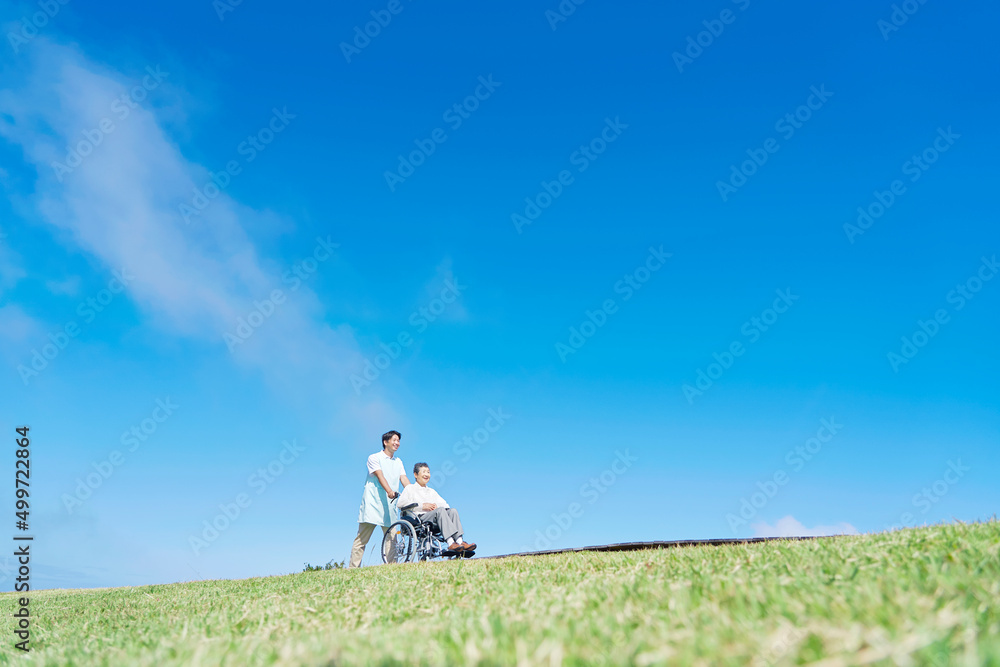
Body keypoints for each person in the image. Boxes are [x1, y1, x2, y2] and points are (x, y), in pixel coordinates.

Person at [349, 430, 411, 568]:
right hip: (373, 504)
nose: (397, 443)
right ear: (385, 442)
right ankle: (353, 568)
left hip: (390, 506)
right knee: (362, 539)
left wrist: (412, 492)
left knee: (392, 538)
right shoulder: (374, 457)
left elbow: (403, 478)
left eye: (398, 441)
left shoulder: (398, 461)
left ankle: (392, 567)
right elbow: (379, 475)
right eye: (394, 440)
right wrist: (389, 490)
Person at [397, 462, 476, 554]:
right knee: (440, 511)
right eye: (424, 472)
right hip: (419, 518)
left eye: (428, 472)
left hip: (435, 518)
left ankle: (459, 541)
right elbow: (400, 503)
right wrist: (422, 505)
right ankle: (450, 542)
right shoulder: (410, 488)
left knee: (453, 511)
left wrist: (435, 506)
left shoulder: (431, 491)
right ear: (415, 474)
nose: (426, 474)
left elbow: (445, 505)